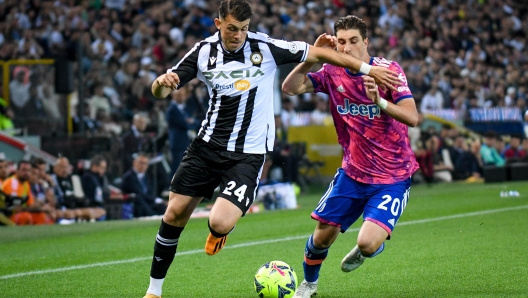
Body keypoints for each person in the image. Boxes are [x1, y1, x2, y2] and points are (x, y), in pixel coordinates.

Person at [144, 1, 400, 297]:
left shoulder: (264, 47)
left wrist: (369, 69)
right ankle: (154, 290)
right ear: (218, 25)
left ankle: (221, 232)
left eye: (243, 29)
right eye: (231, 29)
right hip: (206, 146)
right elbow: (160, 90)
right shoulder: (203, 52)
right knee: (174, 213)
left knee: (219, 221)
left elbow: (319, 53)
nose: (238, 35)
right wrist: (162, 83)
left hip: (247, 155)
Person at [281, 15, 419, 297]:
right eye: (341, 42)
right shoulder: (332, 72)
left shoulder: (387, 71)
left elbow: (412, 117)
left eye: (354, 41)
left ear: (366, 42)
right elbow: (290, 88)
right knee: (322, 236)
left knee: (367, 244)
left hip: (392, 175)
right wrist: (312, 55)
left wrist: (379, 101)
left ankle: (371, 246)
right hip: (353, 172)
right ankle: (309, 285)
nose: (346, 48)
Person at [1, 160, 53, 225]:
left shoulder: (26, 184)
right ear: (17, 171)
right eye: (23, 170)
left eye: (28, 171)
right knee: (26, 216)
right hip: (7, 216)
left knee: (41, 216)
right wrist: (41, 209)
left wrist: (43, 207)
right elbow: (16, 209)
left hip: (19, 213)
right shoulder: (11, 183)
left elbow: (31, 205)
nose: (26, 173)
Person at [121, 152, 166, 217]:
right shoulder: (128, 177)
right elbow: (139, 193)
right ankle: (152, 215)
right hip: (136, 204)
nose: (143, 166)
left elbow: (149, 192)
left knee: (161, 206)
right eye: (141, 163)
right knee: (139, 199)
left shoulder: (146, 176)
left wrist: (158, 200)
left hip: (146, 201)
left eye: (145, 163)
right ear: (134, 163)